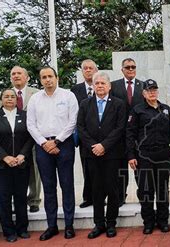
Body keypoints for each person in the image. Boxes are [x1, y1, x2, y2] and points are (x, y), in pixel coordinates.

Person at [26, 66, 79, 240]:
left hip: (64, 144)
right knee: (48, 188)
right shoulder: (35, 99)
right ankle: (52, 226)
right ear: (40, 80)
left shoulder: (68, 96)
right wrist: (44, 143)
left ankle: (69, 225)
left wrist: (56, 141)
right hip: (42, 147)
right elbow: (31, 125)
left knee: (67, 185)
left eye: (50, 76)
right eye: (44, 77)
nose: (47, 80)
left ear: (57, 78)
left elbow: (73, 121)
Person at [77, 72, 126, 239]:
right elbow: (81, 127)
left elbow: (120, 128)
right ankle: (99, 224)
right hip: (92, 154)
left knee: (113, 190)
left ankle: (111, 223)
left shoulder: (119, 104)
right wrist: (94, 146)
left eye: (103, 83)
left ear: (109, 86)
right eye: (96, 83)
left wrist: (104, 145)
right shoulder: (85, 104)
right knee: (96, 190)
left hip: (112, 154)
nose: (99, 86)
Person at [127, 79, 170, 235]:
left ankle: (163, 221)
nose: (152, 92)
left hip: (163, 155)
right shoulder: (137, 110)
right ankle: (148, 222)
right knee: (146, 190)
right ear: (143, 93)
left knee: (162, 190)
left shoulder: (166, 109)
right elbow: (130, 134)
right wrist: (131, 155)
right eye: (149, 90)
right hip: (144, 156)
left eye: (154, 89)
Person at [0, 67, 42, 213]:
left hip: (32, 139)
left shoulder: (37, 94)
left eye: (19, 73)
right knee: (11, 173)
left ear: (27, 77)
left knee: (34, 170)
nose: (16, 76)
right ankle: (15, 202)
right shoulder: (4, 95)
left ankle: (34, 200)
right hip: (10, 144)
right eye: (13, 74)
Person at [0, 89, 34, 242]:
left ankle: (22, 229)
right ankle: (9, 231)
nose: (9, 99)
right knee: (4, 199)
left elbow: (31, 137)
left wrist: (23, 154)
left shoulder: (25, 115)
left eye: (12, 96)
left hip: (21, 163)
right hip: (1, 166)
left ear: (17, 100)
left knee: (21, 197)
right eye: (6, 96)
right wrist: (4, 157)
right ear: (1, 99)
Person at [110, 58, 144, 207]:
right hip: (119, 134)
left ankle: (142, 194)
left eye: (133, 67)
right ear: (122, 69)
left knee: (140, 167)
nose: (131, 69)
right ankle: (120, 196)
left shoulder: (143, 86)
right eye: (127, 67)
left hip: (138, 136)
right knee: (120, 168)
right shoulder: (114, 86)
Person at [71, 59, 99, 209]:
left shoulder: (102, 86)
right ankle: (88, 197)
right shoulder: (75, 90)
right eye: (85, 68)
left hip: (102, 136)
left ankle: (101, 196)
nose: (88, 70)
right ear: (82, 72)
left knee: (102, 169)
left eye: (91, 68)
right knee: (87, 168)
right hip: (84, 137)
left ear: (96, 70)